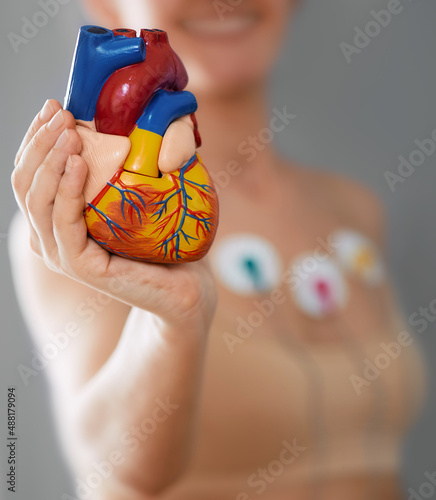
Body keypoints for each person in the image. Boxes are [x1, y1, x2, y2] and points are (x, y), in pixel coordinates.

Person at [9, 1, 427, 499]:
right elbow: (117, 471)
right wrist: (177, 315)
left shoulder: (355, 210)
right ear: (104, 4)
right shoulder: (78, 223)